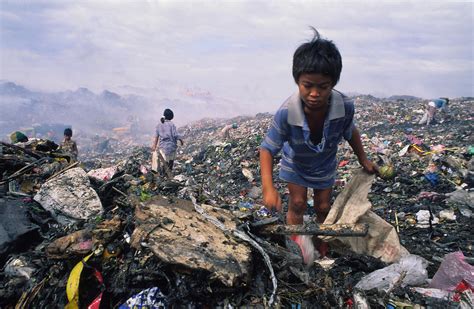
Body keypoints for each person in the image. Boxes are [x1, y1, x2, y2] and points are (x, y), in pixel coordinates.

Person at [259, 28, 378, 262]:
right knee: (298, 203)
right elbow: (267, 149)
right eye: (307, 85)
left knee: (324, 207)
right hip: (296, 165)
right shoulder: (286, 113)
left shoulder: (344, 106)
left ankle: (324, 246)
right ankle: (301, 250)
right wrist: (268, 188)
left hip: (324, 165)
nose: (314, 93)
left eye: (323, 87)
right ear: (297, 81)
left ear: (333, 83)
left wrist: (363, 159)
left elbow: (350, 131)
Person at [152, 108, 183, 174]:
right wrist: (181, 139)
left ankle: (164, 174)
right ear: (171, 116)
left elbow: (156, 136)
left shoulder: (159, 125)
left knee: (164, 161)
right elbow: (175, 135)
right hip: (171, 146)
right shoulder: (172, 124)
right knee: (171, 160)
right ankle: (169, 172)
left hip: (163, 147)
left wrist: (154, 146)